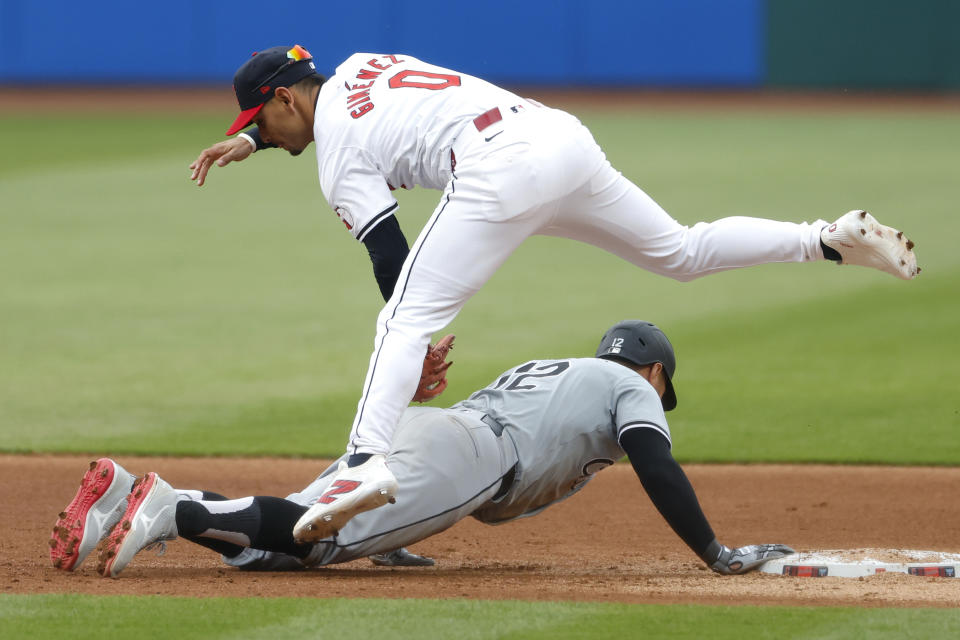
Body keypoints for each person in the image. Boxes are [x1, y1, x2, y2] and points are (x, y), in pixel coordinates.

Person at [188, 45, 920, 540]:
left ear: (285, 97)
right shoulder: (358, 66)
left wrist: (420, 344)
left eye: (261, 119)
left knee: (397, 322)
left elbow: (388, 249)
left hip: (499, 169)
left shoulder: (335, 153)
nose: (265, 135)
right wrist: (255, 141)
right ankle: (826, 238)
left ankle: (362, 464)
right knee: (681, 250)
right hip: (559, 139)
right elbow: (321, 113)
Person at [51, 320, 794, 578]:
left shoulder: (559, 369)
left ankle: (129, 491)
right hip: (466, 454)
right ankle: (168, 516)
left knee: (289, 529)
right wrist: (712, 550)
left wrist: (402, 526)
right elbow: (657, 464)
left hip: (425, 434)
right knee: (310, 545)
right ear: (656, 372)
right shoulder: (630, 387)